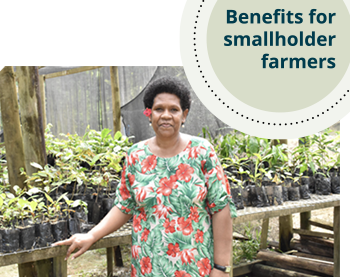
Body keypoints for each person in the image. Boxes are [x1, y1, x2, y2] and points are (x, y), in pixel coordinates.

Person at [53, 76, 237, 276]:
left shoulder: (202, 152)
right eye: (159, 109)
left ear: (184, 115)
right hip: (148, 267)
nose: (166, 115)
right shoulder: (136, 155)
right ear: (149, 114)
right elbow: (124, 205)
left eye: (174, 110)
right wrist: (91, 235)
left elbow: (221, 210)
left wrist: (221, 268)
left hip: (194, 266)